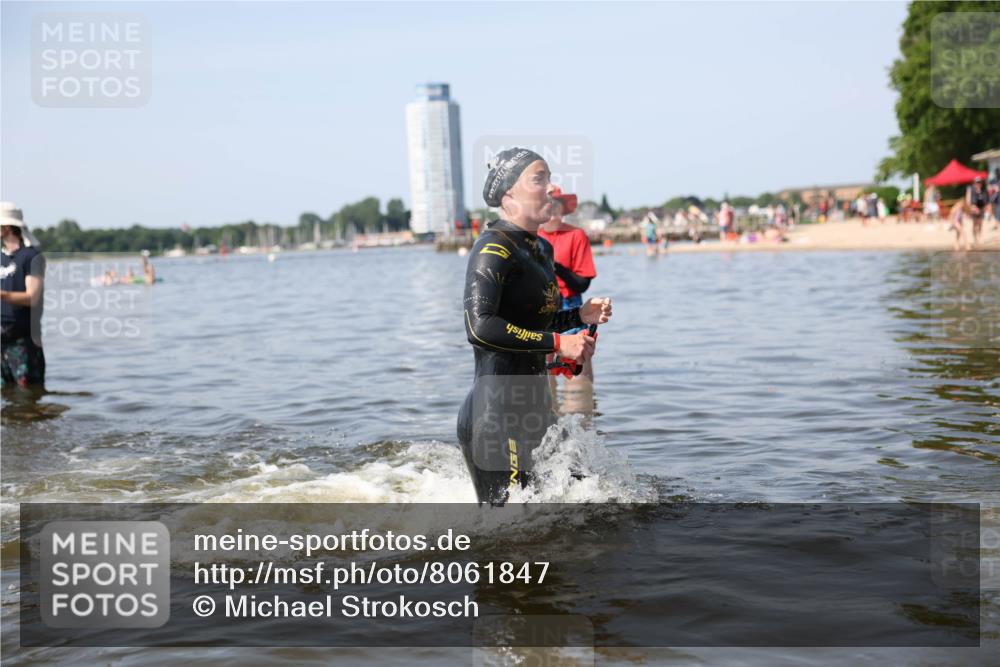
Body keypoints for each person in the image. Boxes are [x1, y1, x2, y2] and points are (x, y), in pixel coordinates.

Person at [457, 148, 612, 505]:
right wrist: (559, 343)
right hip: (497, 416)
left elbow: (533, 320)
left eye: (550, 178)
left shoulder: (541, 248)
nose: (552, 188)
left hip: (538, 411)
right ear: (508, 196)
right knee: (510, 527)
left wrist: (579, 317)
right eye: (539, 179)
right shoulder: (492, 248)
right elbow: (480, 328)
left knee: (591, 502)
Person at [538, 186, 598, 384]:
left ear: (563, 209)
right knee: (542, 368)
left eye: (557, 203)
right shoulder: (531, 236)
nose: (552, 207)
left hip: (570, 303)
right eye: (547, 202)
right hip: (541, 306)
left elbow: (582, 284)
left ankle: (583, 401)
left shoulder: (576, 235)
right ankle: (549, 400)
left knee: (578, 364)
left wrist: (555, 266)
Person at [0, 202, 46, 390]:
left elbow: (32, 297)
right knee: (6, 395)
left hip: (24, 341)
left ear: (7, 227)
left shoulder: (31, 257)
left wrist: (2, 295)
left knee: (28, 396)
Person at [966, 176, 991, 246]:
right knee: (974, 224)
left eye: (979, 182)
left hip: (982, 208)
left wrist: (988, 210)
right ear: (975, 183)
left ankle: (979, 238)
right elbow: (968, 201)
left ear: (981, 183)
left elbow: (987, 201)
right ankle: (975, 238)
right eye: (977, 182)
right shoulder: (971, 190)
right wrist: (972, 208)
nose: (978, 184)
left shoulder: (984, 190)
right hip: (973, 209)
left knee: (980, 224)